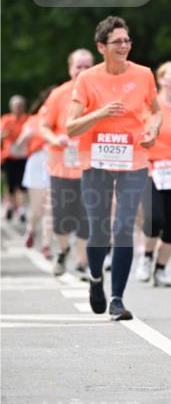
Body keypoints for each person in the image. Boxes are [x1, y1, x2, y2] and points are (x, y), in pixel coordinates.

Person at [66, 16, 161, 321]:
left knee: (123, 227)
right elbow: (71, 127)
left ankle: (117, 298)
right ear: (101, 47)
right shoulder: (87, 79)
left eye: (127, 40)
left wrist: (153, 131)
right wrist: (101, 112)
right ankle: (96, 279)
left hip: (133, 160)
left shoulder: (144, 74)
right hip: (96, 162)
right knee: (99, 229)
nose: (124, 46)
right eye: (117, 42)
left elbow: (156, 112)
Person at [40, 49, 94, 277]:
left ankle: (82, 264)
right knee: (62, 217)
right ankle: (62, 251)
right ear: (70, 68)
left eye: (86, 66)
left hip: (91, 166)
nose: (82, 71)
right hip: (61, 166)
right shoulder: (59, 94)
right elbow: (43, 126)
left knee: (87, 218)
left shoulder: (99, 93)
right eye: (78, 66)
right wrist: (56, 139)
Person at [136, 61, 171, 287]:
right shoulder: (149, 106)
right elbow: (136, 132)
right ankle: (147, 257)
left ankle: (161, 268)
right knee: (155, 218)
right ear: (161, 79)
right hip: (152, 169)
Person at [15, 88, 54, 254]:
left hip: (56, 162)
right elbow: (19, 144)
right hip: (38, 163)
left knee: (51, 207)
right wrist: (26, 136)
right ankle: (31, 229)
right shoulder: (33, 120)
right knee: (37, 208)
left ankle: (46, 244)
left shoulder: (65, 119)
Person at [1, 95, 28, 221]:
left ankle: (21, 209)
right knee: (10, 183)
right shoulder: (6, 119)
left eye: (20, 106)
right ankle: (10, 205)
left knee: (22, 184)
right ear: (12, 107)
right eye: (16, 106)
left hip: (23, 157)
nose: (18, 108)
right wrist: (6, 133)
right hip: (9, 157)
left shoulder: (27, 119)